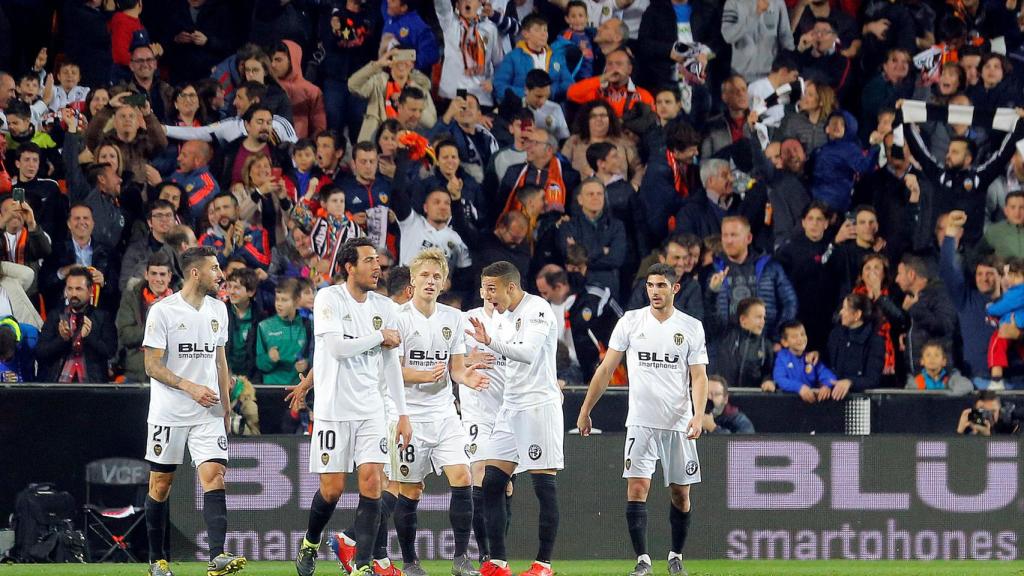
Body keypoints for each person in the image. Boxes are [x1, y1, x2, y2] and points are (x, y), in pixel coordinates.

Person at [577, 263, 709, 576]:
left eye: (661, 286)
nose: (655, 292)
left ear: (674, 289)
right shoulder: (630, 322)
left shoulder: (691, 327)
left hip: (678, 422)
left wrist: (699, 414)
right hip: (640, 422)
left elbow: (699, 376)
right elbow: (606, 369)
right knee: (637, 488)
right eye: (650, 286)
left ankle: (675, 555)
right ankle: (643, 560)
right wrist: (585, 409)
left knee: (681, 493)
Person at [291, 237, 413, 576]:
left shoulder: (384, 307)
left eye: (378, 260)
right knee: (331, 490)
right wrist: (379, 337)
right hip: (333, 409)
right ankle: (311, 542)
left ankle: (361, 565)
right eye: (369, 260)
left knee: (373, 482)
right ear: (349, 267)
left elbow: (390, 366)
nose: (377, 266)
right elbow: (336, 349)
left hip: (371, 410)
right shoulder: (329, 298)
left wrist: (402, 413)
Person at [138, 247, 245, 576]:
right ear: (195, 273)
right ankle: (157, 561)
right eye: (214, 268)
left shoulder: (218, 310)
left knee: (215, 476)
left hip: (208, 412)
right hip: (169, 412)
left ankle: (217, 557)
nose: (221, 274)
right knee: (160, 485)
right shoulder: (163, 312)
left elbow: (220, 360)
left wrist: (226, 409)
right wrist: (189, 387)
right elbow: (151, 365)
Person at [386, 249, 490, 576]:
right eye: (425, 276)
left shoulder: (453, 319)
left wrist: (466, 377)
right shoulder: (397, 318)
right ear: (412, 281)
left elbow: (456, 369)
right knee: (411, 490)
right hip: (408, 416)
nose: (430, 281)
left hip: (444, 413)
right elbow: (393, 370)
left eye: (436, 276)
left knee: (463, 476)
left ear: (443, 282)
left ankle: (461, 558)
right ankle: (410, 562)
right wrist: (424, 374)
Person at [463, 261, 563, 576]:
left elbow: (529, 352)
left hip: (537, 406)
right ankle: (497, 562)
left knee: (542, 485)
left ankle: (543, 564)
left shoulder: (538, 310)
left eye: (493, 289)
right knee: (492, 482)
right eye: (485, 288)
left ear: (511, 286)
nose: (488, 296)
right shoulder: (504, 320)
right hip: (510, 407)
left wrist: (490, 342)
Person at [35, 266, 117, 384]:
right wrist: (62, 340)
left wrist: (89, 337)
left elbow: (110, 352)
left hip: (91, 385)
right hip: (59, 384)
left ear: (90, 291)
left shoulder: (102, 316)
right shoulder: (55, 316)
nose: (73, 293)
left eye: (79, 289)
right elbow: (41, 352)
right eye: (70, 289)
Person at [116, 252, 174, 383]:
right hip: (137, 373)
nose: (158, 279)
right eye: (153, 274)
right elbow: (125, 335)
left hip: (171, 372)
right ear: (146, 275)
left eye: (162, 274)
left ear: (169, 276)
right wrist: (153, 328)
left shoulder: (179, 301)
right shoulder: (131, 298)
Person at [826, 293, 886, 397]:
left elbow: (873, 379)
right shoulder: (836, 334)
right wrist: (816, 355)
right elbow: (827, 361)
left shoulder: (875, 342)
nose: (840, 312)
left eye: (845, 308)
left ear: (857, 314)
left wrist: (850, 382)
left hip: (860, 403)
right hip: (832, 398)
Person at [255, 278, 312, 386]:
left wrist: (307, 364)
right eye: (277, 299)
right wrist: (269, 358)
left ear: (296, 301)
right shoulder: (264, 326)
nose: (279, 304)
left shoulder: (309, 326)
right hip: (271, 388)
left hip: (298, 388)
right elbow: (259, 363)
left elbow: (316, 356)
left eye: (284, 300)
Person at [712, 297, 775, 390]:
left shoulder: (766, 345)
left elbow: (768, 373)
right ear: (743, 319)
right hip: (725, 397)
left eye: (764, 317)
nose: (763, 321)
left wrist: (768, 381)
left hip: (752, 399)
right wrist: (713, 292)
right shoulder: (725, 335)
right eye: (758, 317)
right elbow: (712, 313)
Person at [773, 320, 839, 403]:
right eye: (794, 336)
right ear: (785, 342)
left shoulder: (811, 357)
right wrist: (800, 387)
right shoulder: (782, 358)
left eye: (802, 334)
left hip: (810, 404)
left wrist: (827, 385)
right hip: (787, 404)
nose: (800, 339)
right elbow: (780, 379)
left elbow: (827, 374)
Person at [908, 340, 973, 394]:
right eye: (928, 355)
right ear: (922, 361)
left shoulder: (951, 377)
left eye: (936, 355)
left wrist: (945, 396)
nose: (932, 358)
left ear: (943, 362)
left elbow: (967, 386)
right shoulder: (915, 380)